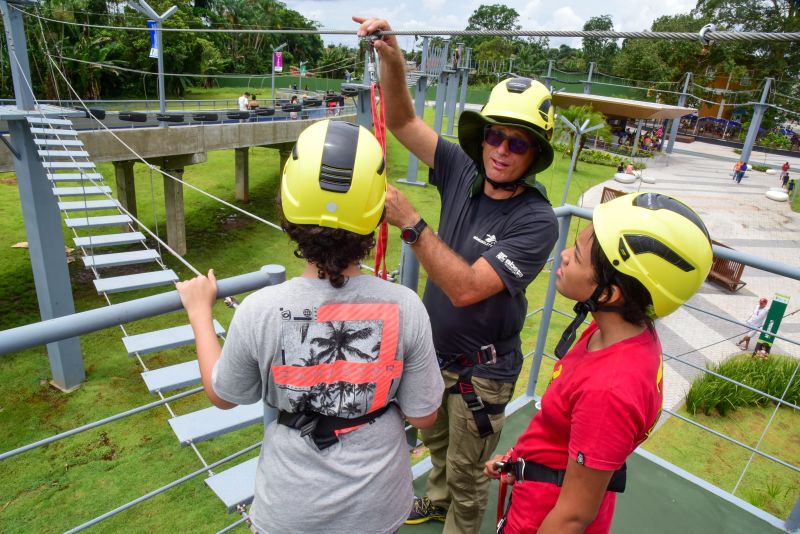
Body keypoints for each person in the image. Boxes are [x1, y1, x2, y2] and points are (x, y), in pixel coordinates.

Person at [176, 119, 444, 534]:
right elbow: (424, 416)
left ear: (288, 205)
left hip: (291, 509)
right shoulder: (406, 306)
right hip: (378, 504)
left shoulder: (260, 309)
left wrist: (199, 314)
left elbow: (223, 393)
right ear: (376, 213)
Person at [355, 16, 559, 533]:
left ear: (533, 155)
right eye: (496, 136)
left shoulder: (535, 221)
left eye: (517, 144)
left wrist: (412, 225)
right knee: (439, 447)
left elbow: (467, 288)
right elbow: (402, 123)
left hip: (482, 374)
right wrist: (393, 59)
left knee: (470, 480)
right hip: (436, 356)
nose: (501, 150)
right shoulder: (463, 170)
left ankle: (456, 511)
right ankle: (438, 497)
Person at [485, 192, 713, 534]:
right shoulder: (615, 332)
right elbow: (567, 429)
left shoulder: (611, 390)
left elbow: (574, 516)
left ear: (608, 294)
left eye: (576, 256)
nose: (563, 255)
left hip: (543, 516)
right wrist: (519, 457)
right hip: (543, 482)